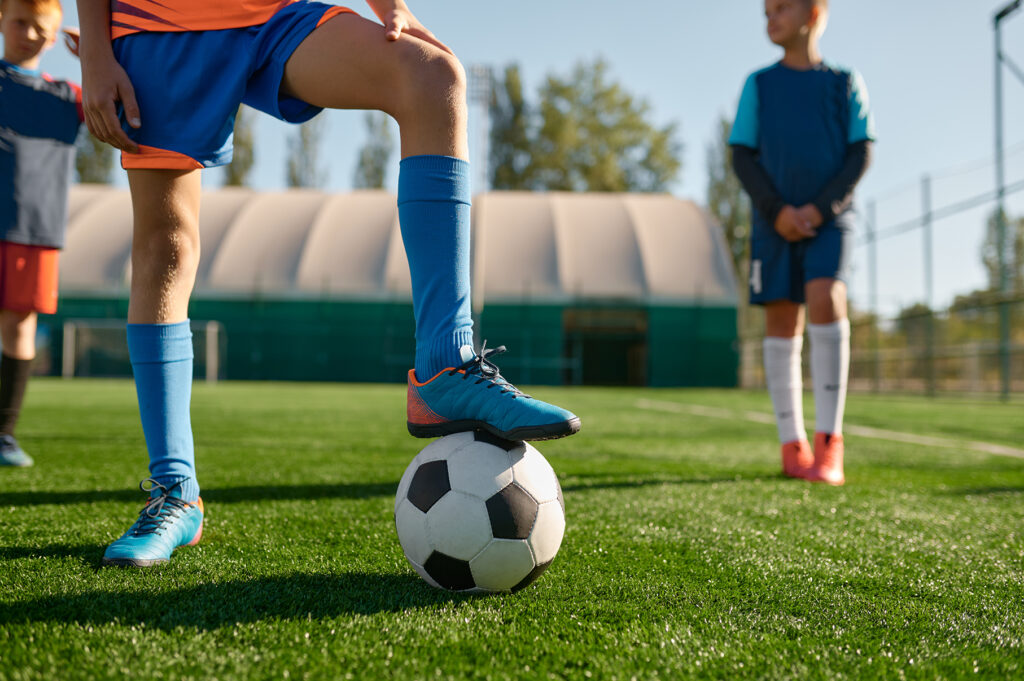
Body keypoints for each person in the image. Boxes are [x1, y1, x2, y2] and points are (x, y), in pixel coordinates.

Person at [75, 0, 581, 567]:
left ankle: (446, 365)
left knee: (432, 74)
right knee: (164, 249)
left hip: (272, 15)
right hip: (159, 26)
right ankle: (175, 491)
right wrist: (97, 52)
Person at [729, 0, 874, 486]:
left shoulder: (844, 82)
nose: (770, 17)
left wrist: (818, 209)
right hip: (773, 222)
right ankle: (793, 445)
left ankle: (830, 444)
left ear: (814, 13)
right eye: (766, 11)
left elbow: (861, 152)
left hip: (830, 220)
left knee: (825, 295)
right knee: (780, 314)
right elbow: (742, 155)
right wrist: (778, 212)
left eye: (781, 8)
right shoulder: (759, 83)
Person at [0, 0, 82, 467]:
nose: (29, 33)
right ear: (2, 21)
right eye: (19, 22)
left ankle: (3, 434)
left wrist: (97, 55)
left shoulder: (68, 97)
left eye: (40, 27)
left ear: (54, 38)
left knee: (20, 325)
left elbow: (128, 115)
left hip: (35, 231)